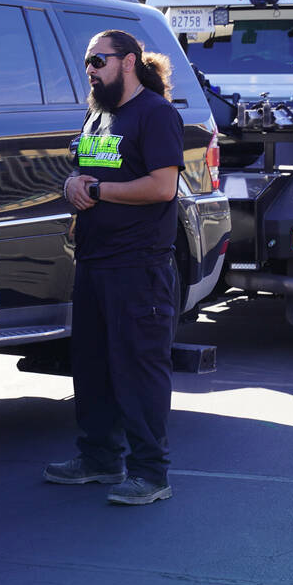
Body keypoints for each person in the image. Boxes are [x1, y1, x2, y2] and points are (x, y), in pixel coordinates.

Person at [44, 29, 183, 505]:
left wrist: (98, 193)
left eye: (98, 61)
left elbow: (163, 187)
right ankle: (99, 459)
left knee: (138, 370)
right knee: (93, 367)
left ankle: (151, 473)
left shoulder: (157, 114)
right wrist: (72, 187)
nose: (90, 70)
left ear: (128, 62)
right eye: (87, 62)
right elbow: (86, 172)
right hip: (94, 262)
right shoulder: (97, 115)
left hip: (138, 266)